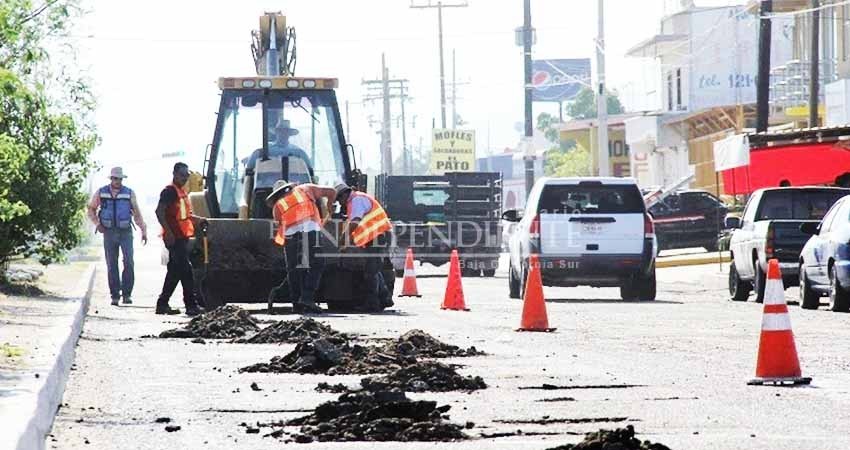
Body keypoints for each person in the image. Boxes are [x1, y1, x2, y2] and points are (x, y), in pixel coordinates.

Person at [267, 180, 336, 314]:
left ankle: (296, 303)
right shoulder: (305, 188)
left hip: (290, 235)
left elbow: (278, 224)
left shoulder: (277, 206)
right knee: (317, 263)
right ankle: (307, 298)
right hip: (309, 228)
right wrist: (329, 205)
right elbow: (332, 191)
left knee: (294, 269)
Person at [86, 167, 148, 306]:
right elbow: (91, 209)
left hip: (125, 232)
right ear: (110, 179)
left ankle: (127, 294)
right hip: (108, 232)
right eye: (115, 178)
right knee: (111, 264)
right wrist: (97, 224)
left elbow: (137, 213)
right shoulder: (101, 192)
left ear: (122, 179)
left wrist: (143, 230)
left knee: (129, 262)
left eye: (119, 179)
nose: (117, 181)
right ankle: (115, 295)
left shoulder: (129, 193)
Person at [154, 162, 205, 316]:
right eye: (182, 175)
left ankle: (162, 304)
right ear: (175, 174)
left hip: (182, 237)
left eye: (187, 176)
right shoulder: (169, 191)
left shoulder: (181, 192)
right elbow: (159, 212)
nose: (184, 179)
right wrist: (168, 232)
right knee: (186, 270)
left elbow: (185, 215)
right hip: (174, 238)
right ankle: (191, 305)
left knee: (174, 272)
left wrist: (199, 220)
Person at [334, 183, 394, 312]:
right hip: (375, 238)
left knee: (370, 271)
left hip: (379, 236)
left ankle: (372, 304)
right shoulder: (355, 201)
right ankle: (385, 299)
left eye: (339, 199)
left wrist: (345, 238)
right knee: (374, 269)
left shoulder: (357, 200)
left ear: (344, 194)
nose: (340, 203)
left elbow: (355, 221)